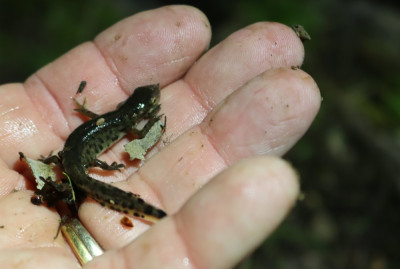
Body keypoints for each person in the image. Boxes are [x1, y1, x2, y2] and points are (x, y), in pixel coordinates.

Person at [0, 5, 320, 268]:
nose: (154, 99)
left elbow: (108, 124)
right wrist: (118, 159)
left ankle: (133, 202)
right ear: (138, 110)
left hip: (75, 157)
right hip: (76, 159)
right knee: (87, 171)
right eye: (151, 102)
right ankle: (140, 206)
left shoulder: (120, 117)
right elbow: (137, 132)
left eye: (152, 101)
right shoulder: (128, 123)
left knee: (84, 169)